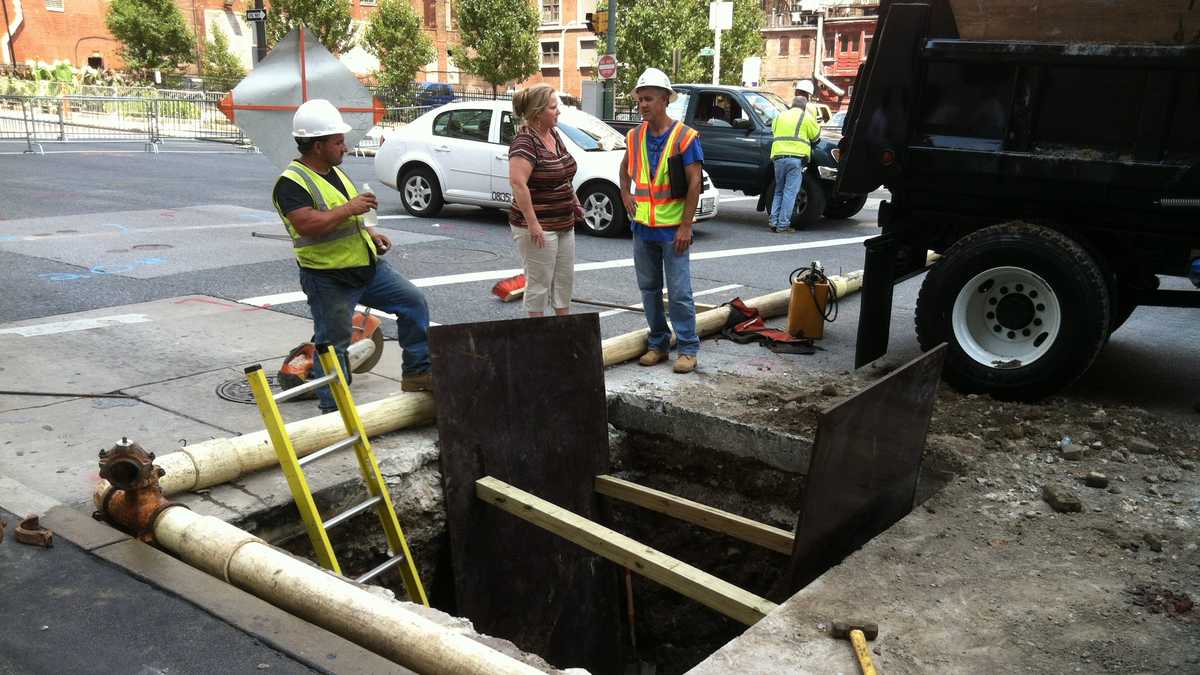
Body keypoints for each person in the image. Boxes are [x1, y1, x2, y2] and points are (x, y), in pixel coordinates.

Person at [272, 99, 433, 414]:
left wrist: (372, 236)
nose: (344, 147)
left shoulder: (334, 173)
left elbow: (348, 220)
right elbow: (307, 224)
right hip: (328, 277)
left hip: (366, 268)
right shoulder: (291, 182)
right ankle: (335, 411)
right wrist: (351, 207)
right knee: (333, 345)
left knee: (413, 302)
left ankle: (417, 371)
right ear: (317, 146)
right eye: (337, 141)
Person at [618, 68, 704, 374]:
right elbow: (625, 168)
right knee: (649, 289)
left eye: (649, 99)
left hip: (672, 230)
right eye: (640, 99)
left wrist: (685, 225)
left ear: (665, 100)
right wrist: (625, 193)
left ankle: (688, 348)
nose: (643, 105)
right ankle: (658, 342)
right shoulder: (634, 136)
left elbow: (695, 183)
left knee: (679, 291)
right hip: (643, 227)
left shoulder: (684, 137)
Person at [507, 84, 583, 317]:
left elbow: (563, 173)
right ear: (538, 113)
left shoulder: (553, 135)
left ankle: (563, 331)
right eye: (553, 107)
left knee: (563, 280)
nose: (558, 111)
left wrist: (575, 201)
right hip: (539, 225)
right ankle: (537, 336)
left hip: (563, 221)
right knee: (539, 284)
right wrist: (533, 224)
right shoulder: (525, 143)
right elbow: (518, 183)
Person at [768, 80, 822, 233]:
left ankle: (773, 221)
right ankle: (783, 225)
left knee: (779, 189)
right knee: (790, 192)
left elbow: (774, 131)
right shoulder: (806, 117)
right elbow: (816, 137)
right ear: (805, 103)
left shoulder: (780, 116)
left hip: (778, 157)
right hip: (795, 159)